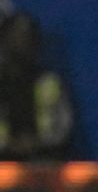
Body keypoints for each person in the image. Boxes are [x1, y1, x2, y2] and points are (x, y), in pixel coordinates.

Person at [0, 12, 74, 161]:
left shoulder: (48, 81)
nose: (23, 42)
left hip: (42, 166)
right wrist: (8, 144)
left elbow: (63, 127)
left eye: (29, 36)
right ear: (3, 39)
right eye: (17, 36)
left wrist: (36, 143)